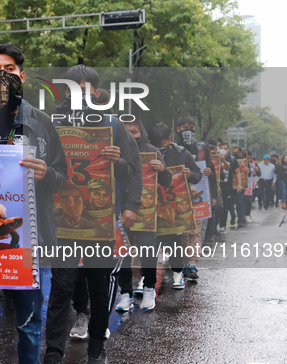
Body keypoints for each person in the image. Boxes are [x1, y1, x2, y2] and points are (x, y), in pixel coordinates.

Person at [0, 44, 67, 364]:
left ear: (22, 76)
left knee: (30, 325)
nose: (3, 76)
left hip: (29, 243)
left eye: (9, 70)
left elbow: (63, 176)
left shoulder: (43, 122)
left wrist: (47, 172)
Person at [46, 65, 142, 364]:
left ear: (96, 93)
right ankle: (53, 353)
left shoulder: (113, 126)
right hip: (62, 223)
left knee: (101, 289)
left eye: (85, 89)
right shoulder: (51, 124)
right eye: (73, 89)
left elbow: (132, 171)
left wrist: (119, 166)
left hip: (101, 224)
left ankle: (97, 349)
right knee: (61, 287)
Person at [118, 117, 171, 312]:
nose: (131, 136)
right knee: (122, 253)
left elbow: (166, 181)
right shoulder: (114, 147)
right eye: (127, 131)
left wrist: (162, 169)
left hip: (146, 213)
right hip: (120, 210)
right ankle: (125, 293)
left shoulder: (151, 150)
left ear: (141, 132)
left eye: (135, 131)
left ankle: (149, 288)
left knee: (148, 250)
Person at [148, 122, 201, 289]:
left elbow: (198, 174)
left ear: (169, 139)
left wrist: (189, 174)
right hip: (152, 204)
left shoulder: (182, 154)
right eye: (155, 145)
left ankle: (177, 273)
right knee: (150, 241)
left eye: (162, 145)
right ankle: (147, 277)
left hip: (175, 204)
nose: (159, 149)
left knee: (174, 240)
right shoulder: (145, 152)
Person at [174, 116, 216, 278]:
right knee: (182, 231)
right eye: (185, 127)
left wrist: (213, 193)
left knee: (195, 230)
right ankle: (181, 262)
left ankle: (192, 262)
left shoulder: (202, 147)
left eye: (192, 127)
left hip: (199, 194)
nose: (189, 130)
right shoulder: (172, 147)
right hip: (177, 195)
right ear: (178, 129)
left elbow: (210, 170)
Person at [217, 143, 242, 235]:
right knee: (217, 206)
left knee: (225, 206)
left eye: (225, 149)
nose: (223, 150)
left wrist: (239, 184)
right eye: (221, 148)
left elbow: (237, 172)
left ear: (228, 150)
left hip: (227, 186)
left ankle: (222, 226)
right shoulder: (215, 158)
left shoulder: (232, 159)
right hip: (217, 185)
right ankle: (214, 226)